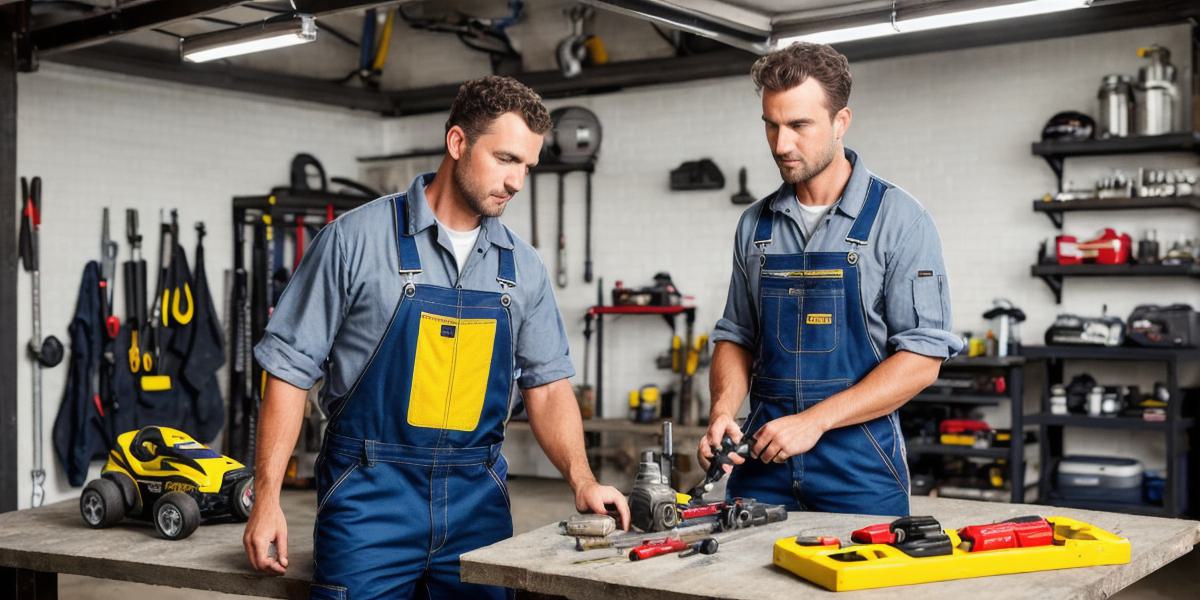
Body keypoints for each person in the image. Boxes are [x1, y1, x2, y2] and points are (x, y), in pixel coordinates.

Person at [243, 75, 629, 600]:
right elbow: (288, 371)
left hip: (477, 504)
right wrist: (267, 498)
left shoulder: (524, 269)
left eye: (527, 168)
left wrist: (582, 479)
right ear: (457, 143)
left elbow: (549, 385)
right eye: (506, 159)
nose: (517, 182)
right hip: (369, 501)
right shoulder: (353, 242)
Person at [699, 42, 963, 517]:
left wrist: (814, 423)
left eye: (799, 125)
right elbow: (737, 336)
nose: (781, 144)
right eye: (771, 125)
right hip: (762, 464)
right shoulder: (755, 226)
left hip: (860, 468)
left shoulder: (900, 219)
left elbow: (924, 357)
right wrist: (722, 411)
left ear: (841, 122)